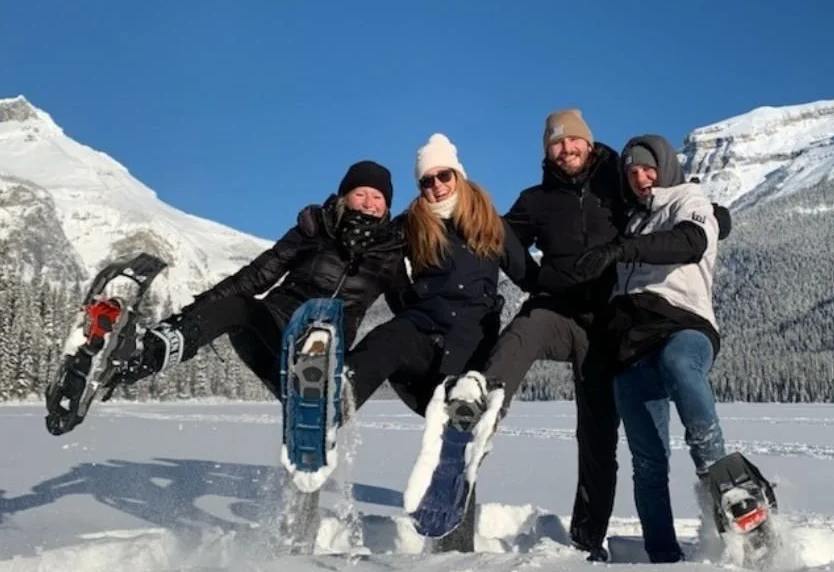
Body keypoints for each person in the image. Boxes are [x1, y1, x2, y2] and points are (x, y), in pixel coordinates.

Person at [438, 109, 630, 561]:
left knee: (599, 437)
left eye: (572, 142)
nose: (565, 150)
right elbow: (495, 235)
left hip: (605, 325)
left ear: (588, 142)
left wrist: (707, 211)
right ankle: (478, 410)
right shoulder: (536, 200)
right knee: (521, 334)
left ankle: (588, 540)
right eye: (556, 144)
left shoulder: (617, 186)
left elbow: (662, 204)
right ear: (547, 151)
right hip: (555, 309)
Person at [108, 159, 410, 396]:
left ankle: (316, 401)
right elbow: (256, 276)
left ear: (387, 205)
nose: (369, 203)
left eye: (378, 196)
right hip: (277, 331)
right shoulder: (315, 228)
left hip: (328, 350)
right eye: (360, 193)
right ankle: (140, 356)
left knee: (331, 349)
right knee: (238, 305)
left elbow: (410, 310)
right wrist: (194, 313)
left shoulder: (389, 254)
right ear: (345, 196)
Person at [571, 133, 735, 564]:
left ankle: (721, 474)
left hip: (684, 323)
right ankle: (663, 555)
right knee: (647, 462)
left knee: (679, 363)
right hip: (632, 346)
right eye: (632, 172)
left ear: (664, 168)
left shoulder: (689, 200)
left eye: (648, 169)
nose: (641, 178)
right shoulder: (633, 219)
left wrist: (623, 249)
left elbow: (689, 242)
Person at [342, 133, 535, 414]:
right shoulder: (412, 223)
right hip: (422, 336)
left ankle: (462, 416)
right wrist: (331, 219)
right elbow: (372, 246)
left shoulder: (491, 224)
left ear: (457, 175)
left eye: (443, 175)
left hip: (473, 345)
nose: (437, 185)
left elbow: (530, 277)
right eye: (427, 181)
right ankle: (330, 404)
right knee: (384, 341)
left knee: (457, 433)